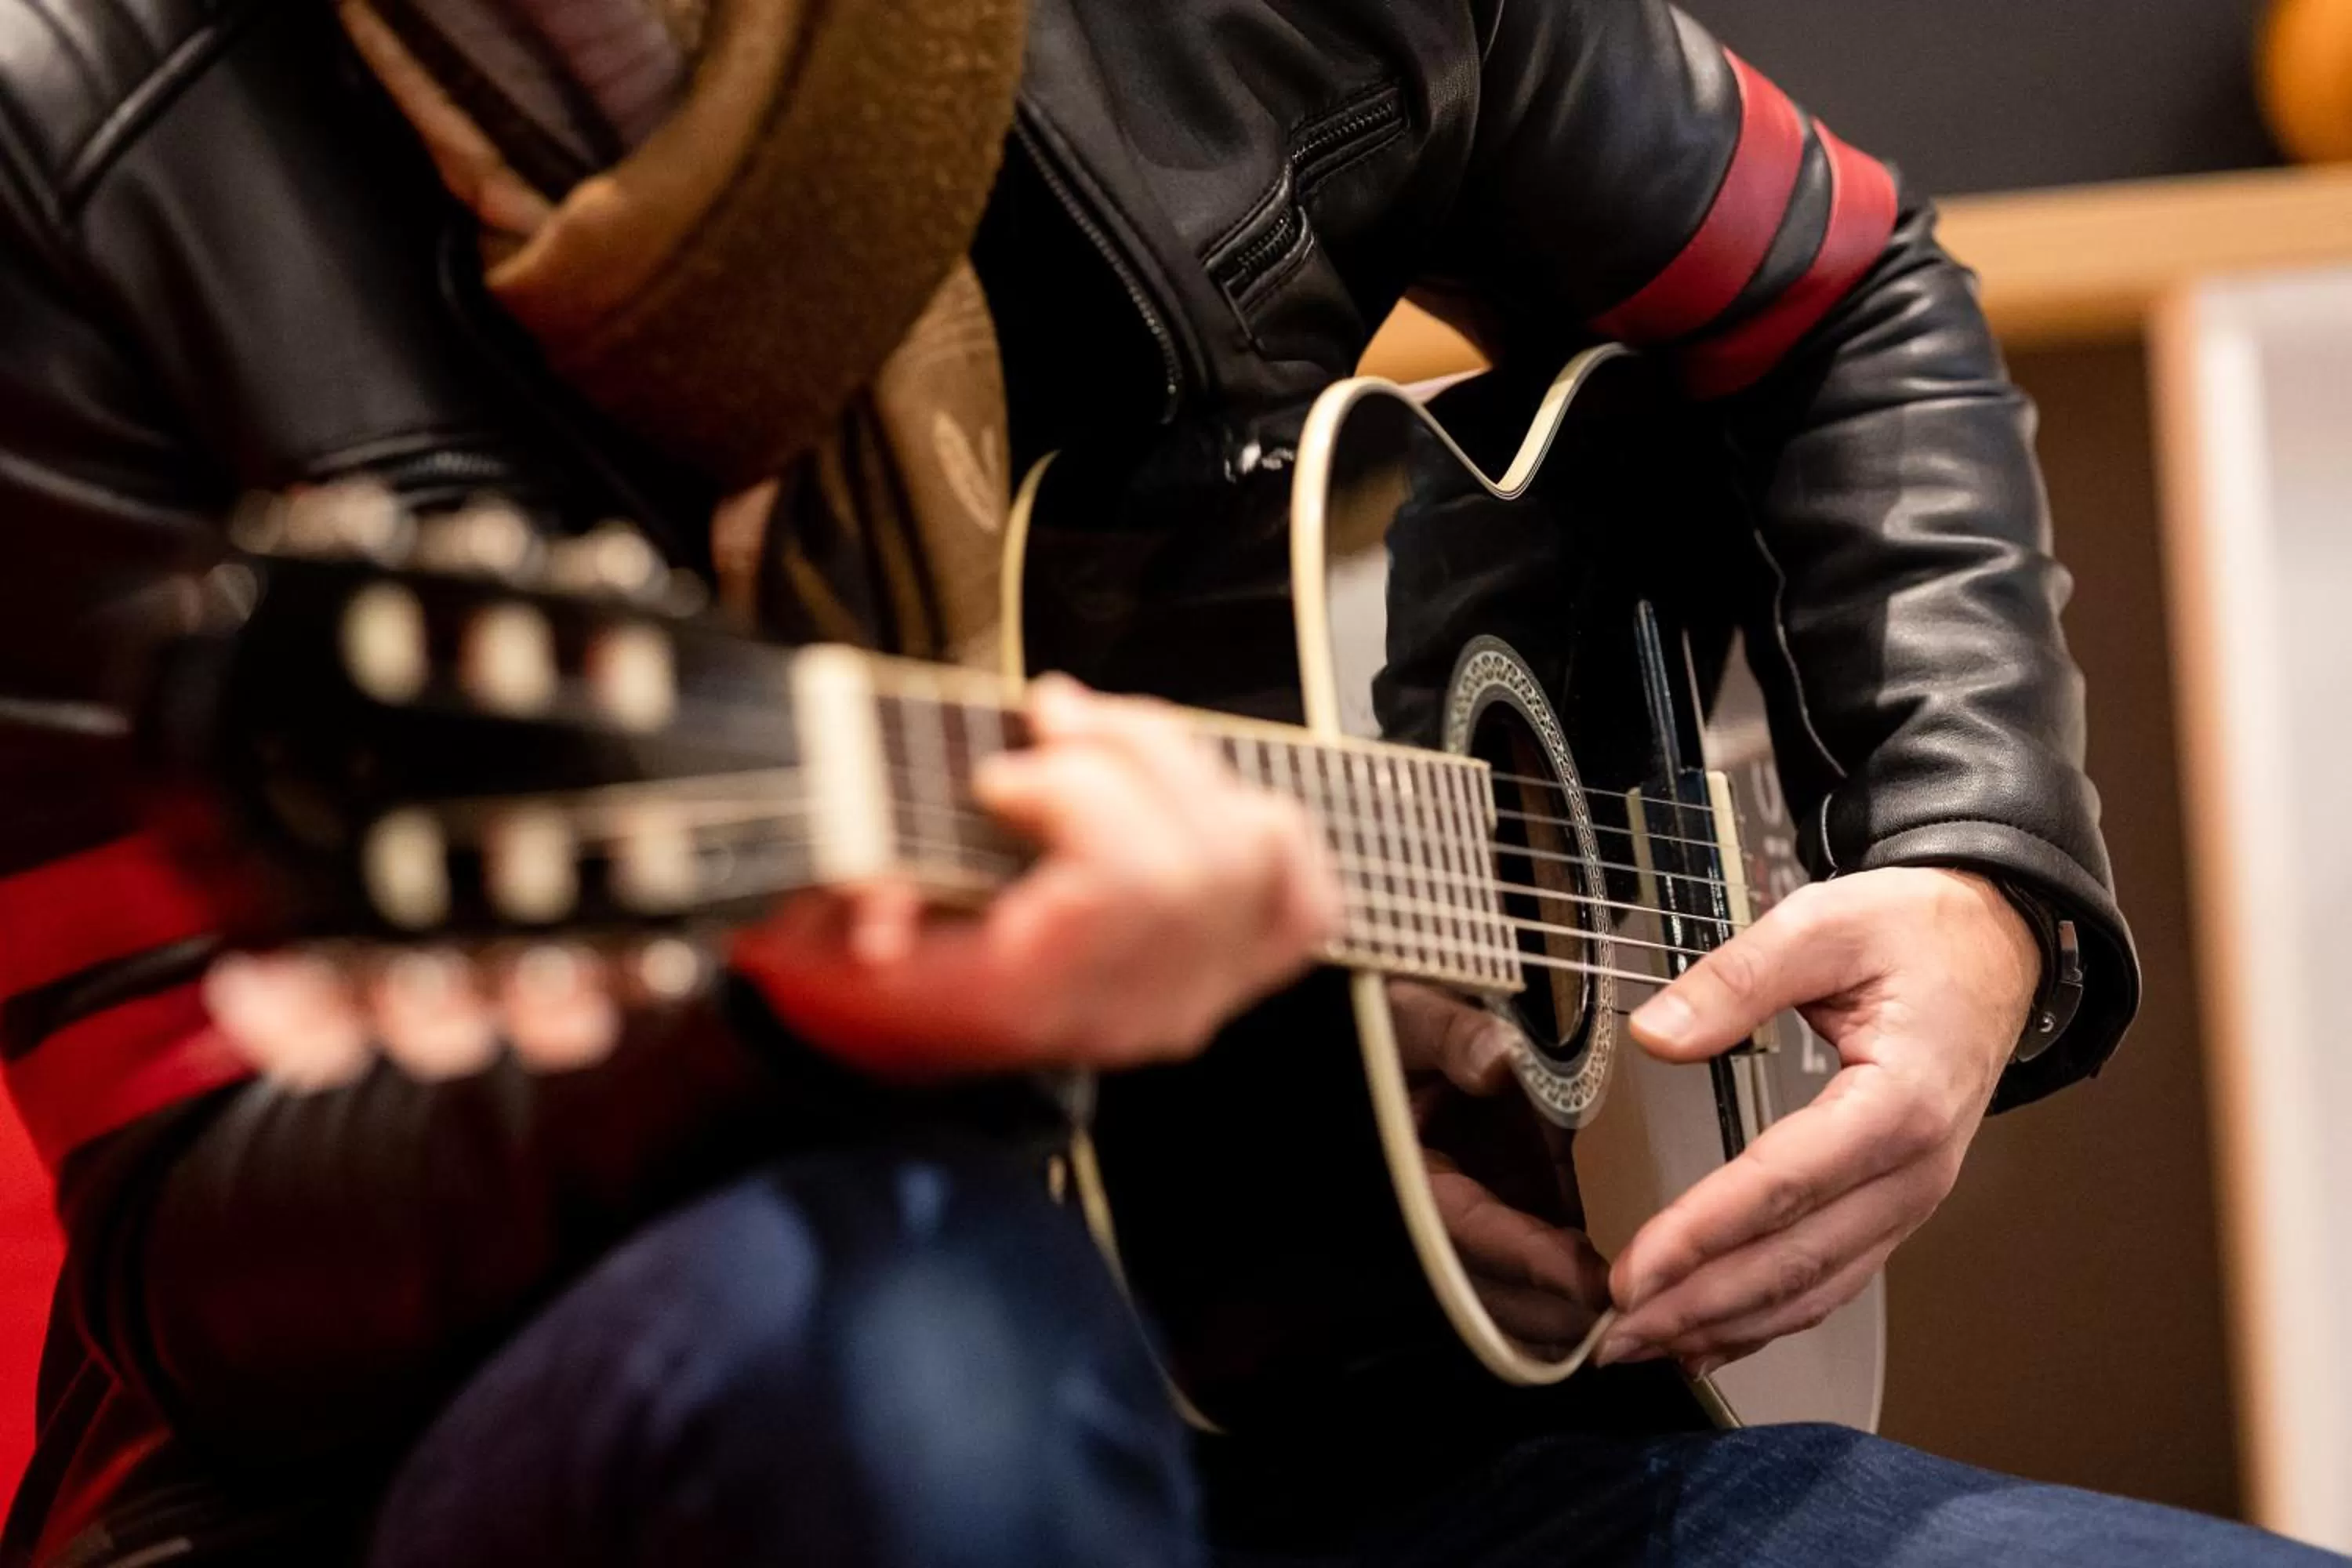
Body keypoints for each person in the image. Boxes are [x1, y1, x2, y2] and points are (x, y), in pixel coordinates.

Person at [0, 0, 2326, 1565]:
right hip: (600, 1430)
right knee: (916, 1348)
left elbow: (1839, 291)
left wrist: (1970, 874)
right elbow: (218, 1244)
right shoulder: (70, 117)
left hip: (1379, 1384)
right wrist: (813, 1036)